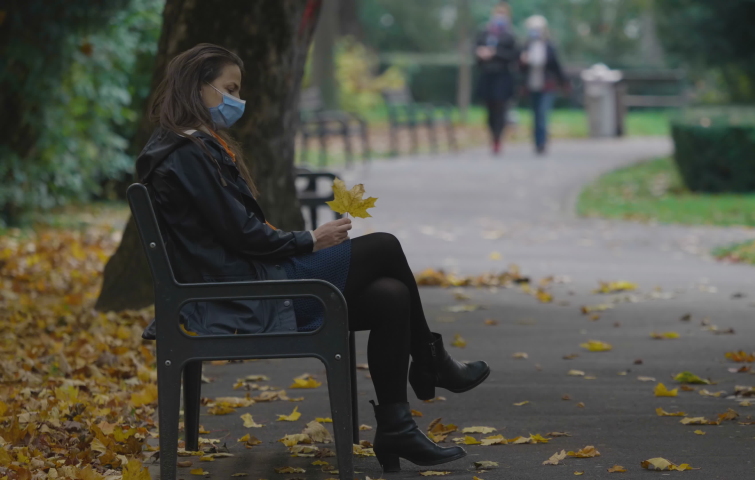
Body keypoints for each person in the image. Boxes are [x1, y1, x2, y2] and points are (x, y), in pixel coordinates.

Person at [134, 44, 490, 472]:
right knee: (385, 246)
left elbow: (233, 234)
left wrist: (303, 241)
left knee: (390, 295)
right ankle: (433, 364)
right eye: (229, 88)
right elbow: (243, 235)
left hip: (249, 282)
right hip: (244, 295)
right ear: (199, 86)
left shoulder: (192, 148)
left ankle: (397, 425)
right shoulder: (185, 155)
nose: (237, 100)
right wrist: (309, 240)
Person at [519, 15, 567, 155]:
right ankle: (537, 141)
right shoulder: (526, 47)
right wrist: (522, 61)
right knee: (535, 115)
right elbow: (520, 70)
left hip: (547, 86)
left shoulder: (549, 46)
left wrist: (564, 83)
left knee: (542, 114)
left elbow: (556, 67)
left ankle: (542, 142)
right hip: (532, 85)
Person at [474, 2, 518, 155]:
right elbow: (476, 52)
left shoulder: (510, 36)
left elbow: (514, 56)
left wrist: (495, 52)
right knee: (490, 110)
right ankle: (493, 136)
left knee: (501, 108)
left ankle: (498, 138)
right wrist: (481, 54)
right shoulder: (485, 33)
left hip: (502, 77)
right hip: (487, 76)